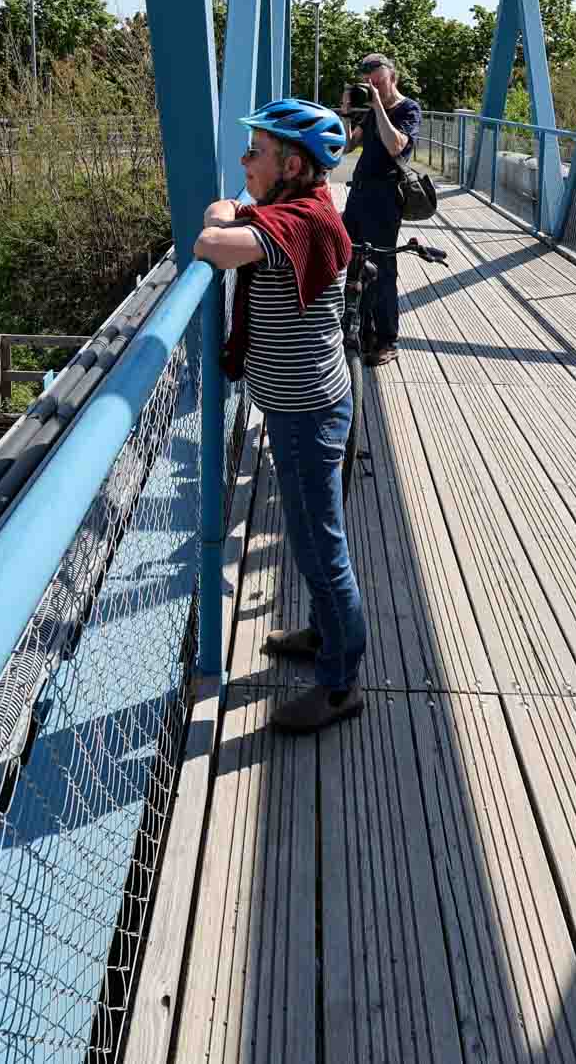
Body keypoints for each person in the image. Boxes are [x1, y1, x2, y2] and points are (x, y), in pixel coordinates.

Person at [193, 97, 366, 736]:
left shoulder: (293, 223)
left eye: (255, 152)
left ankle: (341, 684)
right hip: (304, 406)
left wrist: (223, 206)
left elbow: (210, 242)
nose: (244, 160)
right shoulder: (297, 210)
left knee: (322, 548)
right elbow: (250, 225)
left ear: (292, 165)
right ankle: (325, 634)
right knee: (316, 538)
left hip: (308, 415)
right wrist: (245, 202)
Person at [339, 51, 423, 365]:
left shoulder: (408, 109)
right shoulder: (373, 113)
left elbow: (397, 147)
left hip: (386, 199)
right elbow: (348, 145)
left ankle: (388, 339)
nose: (373, 86)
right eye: (369, 82)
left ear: (393, 77)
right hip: (358, 196)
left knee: (383, 270)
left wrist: (377, 106)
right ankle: (361, 333)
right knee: (350, 262)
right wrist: (347, 115)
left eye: (378, 81)